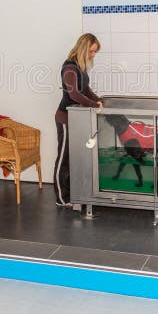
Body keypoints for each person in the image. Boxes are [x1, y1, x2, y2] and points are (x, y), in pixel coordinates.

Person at [54, 33, 102, 206]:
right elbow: (74, 94)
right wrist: (94, 105)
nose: (92, 55)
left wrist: (99, 101)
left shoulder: (80, 67)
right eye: (91, 51)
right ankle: (61, 197)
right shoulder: (69, 68)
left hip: (76, 119)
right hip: (65, 118)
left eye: (94, 52)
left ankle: (74, 193)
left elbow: (85, 89)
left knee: (75, 157)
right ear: (83, 48)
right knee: (64, 157)